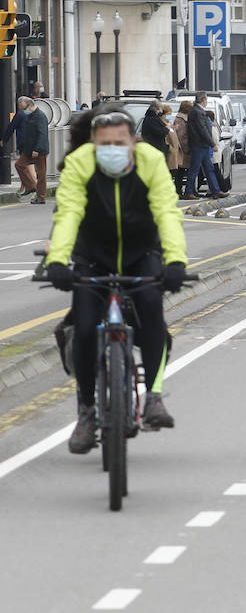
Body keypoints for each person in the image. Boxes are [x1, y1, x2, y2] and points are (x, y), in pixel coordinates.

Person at [43, 104, 189, 452]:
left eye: (119, 143)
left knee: (152, 310)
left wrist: (176, 261)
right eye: (104, 143)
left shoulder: (151, 162)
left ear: (133, 143)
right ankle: (87, 411)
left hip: (142, 253)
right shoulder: (81, 164)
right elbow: (68, 213)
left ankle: (153, 396)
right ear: (93, 143)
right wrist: (58, 260)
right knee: (84, 324)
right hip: (93, 256)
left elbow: (167, 212)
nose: (111, 150)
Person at [186, 91, 225, 199]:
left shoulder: (197, 111)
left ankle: (216, 190)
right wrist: (212, 144)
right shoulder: (197, 112)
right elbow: (202, 130)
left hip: (202, 145)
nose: (206, 102)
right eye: (206, 100)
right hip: (199, 145)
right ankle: (189, 191)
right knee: (194, 169)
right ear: (203, 100)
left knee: (209, 169)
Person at [14, 96, 50, 204]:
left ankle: (41, 197)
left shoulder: (40, 116)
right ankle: (30, 187)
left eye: (24, 108)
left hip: (39, 150)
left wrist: (37, 149)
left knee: (41, 174)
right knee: (18, 165)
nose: (23, 111)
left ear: (30, 105)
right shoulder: (31, 116)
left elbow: (42, 134)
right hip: (29, 149)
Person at [171, 100, 193, 199]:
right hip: (184, 150)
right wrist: (187, 148)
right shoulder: (181, 119)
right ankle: (178, 190)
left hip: (184, 149)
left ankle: (180, 190)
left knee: (181, 171)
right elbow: (181, 136)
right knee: (181, 171)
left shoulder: (182, 118)